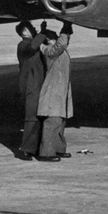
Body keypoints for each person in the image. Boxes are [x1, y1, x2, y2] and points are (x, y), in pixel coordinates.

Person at [34, 21, 75, 161]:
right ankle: (46, 153)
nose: (56, 39)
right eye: (53, 38)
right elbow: (62, 44)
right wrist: (65, 26)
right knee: (52, 122)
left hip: (60, 91)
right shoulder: (48, 51)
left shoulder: (57, 50)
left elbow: (64, 41)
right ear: (48, 40)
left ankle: (58, 149)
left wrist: (67, 27)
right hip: (53, 92)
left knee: (60, 122)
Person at [15, 22, 47, 160]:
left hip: (36, 85)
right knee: (31, 118)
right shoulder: (23, 46)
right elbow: (34, 45)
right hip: (30, 86)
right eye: (30, 28)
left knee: (37, 117)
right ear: (24, 32)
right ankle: (27, 149)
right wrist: (43, 32)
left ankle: (35, 148)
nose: (33, 29)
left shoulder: (29, 45)